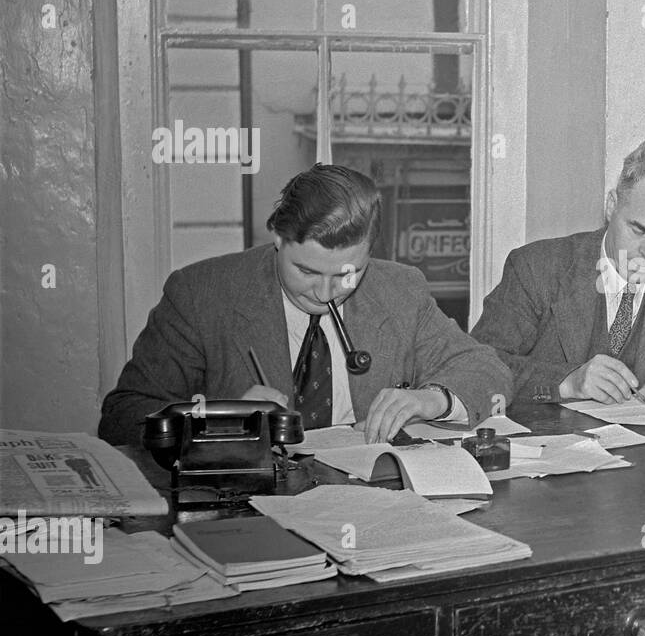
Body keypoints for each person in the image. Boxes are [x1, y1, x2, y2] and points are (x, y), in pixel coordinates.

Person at [100, 165, 512, 446]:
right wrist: (217, 419)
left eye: (347, 274)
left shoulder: (400, 289)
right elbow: (121, 416)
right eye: (307, 271)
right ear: (278, 238)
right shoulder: (201, 293)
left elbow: (488, 371)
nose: (326, 292)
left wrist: (432, 399)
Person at [471, 138, 645, 406]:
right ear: (611, 205)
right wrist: (567, 382)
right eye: (639, 230)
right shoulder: (537, 268)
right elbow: (476, 367)